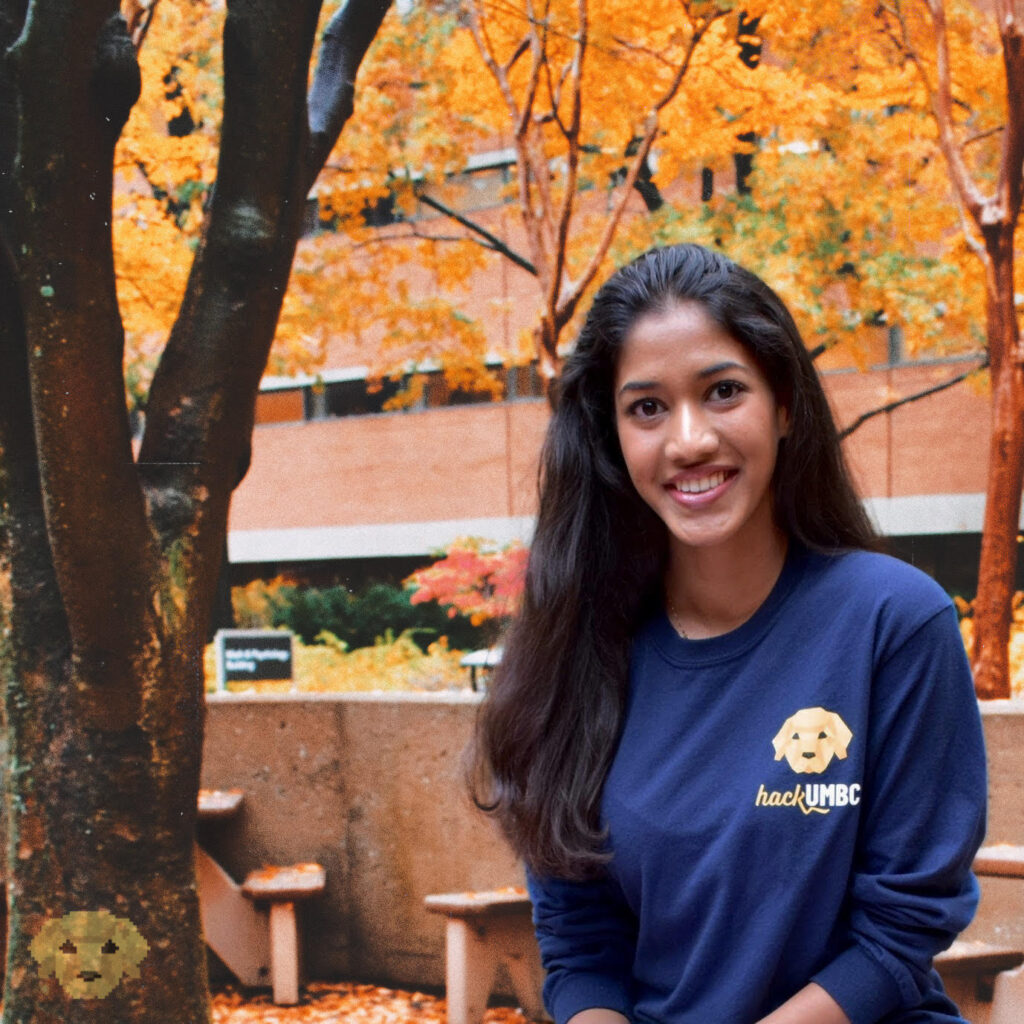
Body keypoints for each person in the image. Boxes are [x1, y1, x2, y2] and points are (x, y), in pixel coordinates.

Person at [470, 244, 987, 1024]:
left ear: (783, 405)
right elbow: (581, 947)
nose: (688, 441)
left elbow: (901, 928)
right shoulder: (576, 652)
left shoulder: (894, 621)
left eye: (722, 392)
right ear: (611, 437)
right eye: (647, 407)